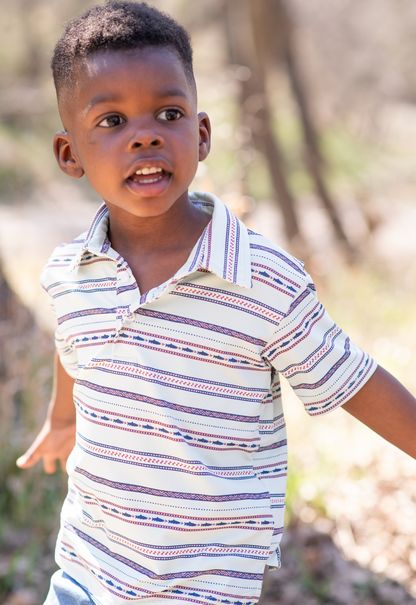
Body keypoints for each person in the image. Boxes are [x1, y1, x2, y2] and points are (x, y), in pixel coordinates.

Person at [16, 2, 416, 604]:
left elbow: (353, 381)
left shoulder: (262, 280)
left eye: (167, 113)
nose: (144, 133)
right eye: (111, 120)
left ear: (201, 136)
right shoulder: (70, 272)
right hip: (87, 571)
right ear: (69, 154)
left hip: (201, 587)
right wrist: (63, 419)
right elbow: (73, 347)